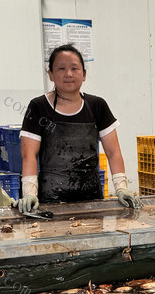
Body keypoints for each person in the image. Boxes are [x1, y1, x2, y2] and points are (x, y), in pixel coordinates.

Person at [16, 44, 141, 212]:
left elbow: (113, 152)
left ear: (84, 74)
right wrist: (29, 193)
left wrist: (121, 187)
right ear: (51, 74)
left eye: (74, 68)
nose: (68, 74)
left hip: (92, 199)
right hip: (51, 200)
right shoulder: (39, 107)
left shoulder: (97, 106)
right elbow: (29, 155)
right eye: (61, 68)